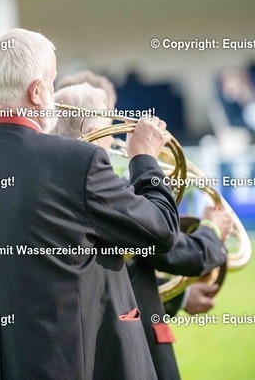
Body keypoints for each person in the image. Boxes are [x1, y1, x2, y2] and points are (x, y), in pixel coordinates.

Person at [0, 28, 181, 380]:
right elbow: (161, 229)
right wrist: (144, 159)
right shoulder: (77, 161)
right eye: (51, 82)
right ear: (36, 92)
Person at [53, 79, 230, 380]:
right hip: (128, 342)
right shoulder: (102, 193)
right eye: (109, 126)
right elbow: (169, 245)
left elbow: (131, 268)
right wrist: (212, 228)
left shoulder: (55, 190)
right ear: (94, 129)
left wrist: (179, 297)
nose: (114, 140)